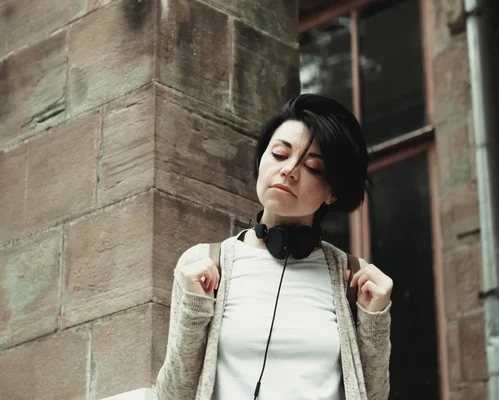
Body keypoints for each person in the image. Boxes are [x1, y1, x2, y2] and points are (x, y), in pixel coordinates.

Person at [156, 94, 393, 400]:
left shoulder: (354, 279)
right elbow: (172, 396)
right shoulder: (205, 264)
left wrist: (375, 318)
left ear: (332, 192)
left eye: (313, 168)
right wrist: (194, 309)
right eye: (280, 154)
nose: (289, 170)